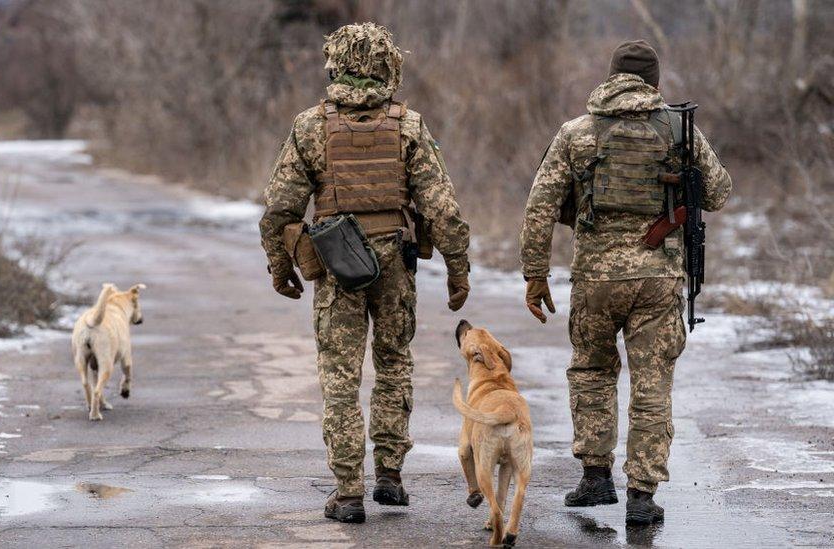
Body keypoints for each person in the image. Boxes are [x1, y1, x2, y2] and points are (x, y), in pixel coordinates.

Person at [258, 22, 471, 523]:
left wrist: (280, 268)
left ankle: (349, 491)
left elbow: (278, 210)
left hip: (337, 266)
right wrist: (458, 270)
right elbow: (443, 210)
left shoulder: (311, 125)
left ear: (337, 63)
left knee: (340, 378)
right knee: (394, 364)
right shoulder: (409, 125)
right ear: (387, 64)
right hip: (396, 261)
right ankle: (391, 478)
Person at [519, 40, 732, 524]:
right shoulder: (680, 131)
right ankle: (641, 494)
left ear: (611, 76)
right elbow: (718, 192)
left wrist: (535, 274)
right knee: (652, 383)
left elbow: (540, 208)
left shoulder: (578, 132)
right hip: (658, 278)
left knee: (592, 371)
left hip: (595, 278)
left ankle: (595, 479)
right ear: (654, 82)